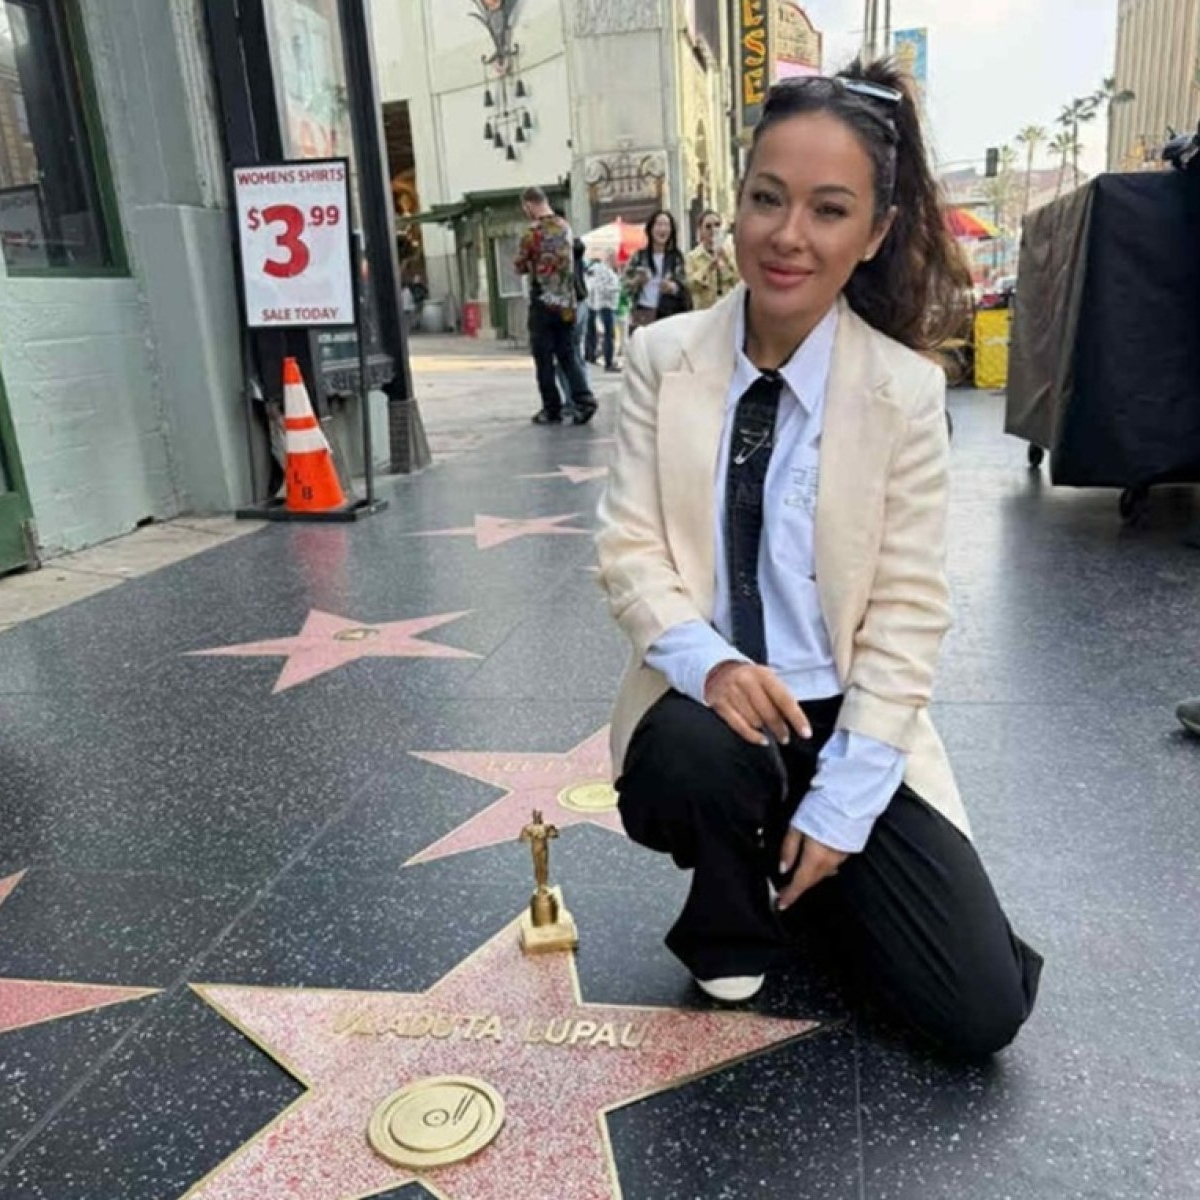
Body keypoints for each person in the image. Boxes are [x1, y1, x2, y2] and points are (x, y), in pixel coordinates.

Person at [596, 60, 1042, 1059]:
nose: (788, 235)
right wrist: (711, 664)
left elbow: (909, 612)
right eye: (768, 199)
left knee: (979, 1012)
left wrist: (842, 811)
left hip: (845, 713)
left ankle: (807, 856)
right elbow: (628, 549)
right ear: (737, 205)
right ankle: (730, 905)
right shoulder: (664, 359)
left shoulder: (902, 392)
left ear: (875, 232)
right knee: (693, 761)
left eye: (829, 210)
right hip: (710, 706)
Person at [514, 187, 598, 425]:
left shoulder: (532, 232)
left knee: (543, 359)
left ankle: (551, 408)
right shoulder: (565, 227)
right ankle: (584, 400)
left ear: (528, 205)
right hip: (566, 303)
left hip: (543, 302)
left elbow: (520, 265)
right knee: (567, 354)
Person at [623, 210, 690, 332]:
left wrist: (673, 287)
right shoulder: (639, 256)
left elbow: (685, 286)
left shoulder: (676, 257)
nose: (662, 229)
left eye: (666, 225)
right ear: (651, 229)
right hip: (643, 312)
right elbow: (624, 286)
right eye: (659, 224)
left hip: (668, 313)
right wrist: (637, 281)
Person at [686, 210, 740, 310]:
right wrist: (709, 267)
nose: (713, 229)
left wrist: (726, 259)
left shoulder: (732, 253)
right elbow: (691, 286)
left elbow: (740, 281)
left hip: (728, 309)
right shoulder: (692, 257)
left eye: (717, 225)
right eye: (708, 226)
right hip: (705, 310)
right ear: (701, 231)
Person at [586, 252, 621, 371]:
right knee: (608, 335)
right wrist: (616, 289)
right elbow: (600, 288)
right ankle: (608, 362)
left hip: (600, 305)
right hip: (605, 305)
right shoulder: (603, 270)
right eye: (616, 259)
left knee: (600, 334)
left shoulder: (604, 270)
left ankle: (593, 357)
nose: (617, 262)